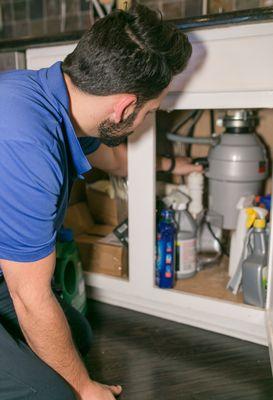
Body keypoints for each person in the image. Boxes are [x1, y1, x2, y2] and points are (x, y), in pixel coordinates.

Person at [0, 4, 201, 400]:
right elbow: (30, 296)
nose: (144, 121)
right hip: (18, 283)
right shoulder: (27, 143)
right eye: (149, 111)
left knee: (76, 336)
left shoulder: (57, 98)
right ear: (125, 106)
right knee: (57, 393)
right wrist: (83, 387)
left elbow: (116, 161)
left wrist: (175, 165)